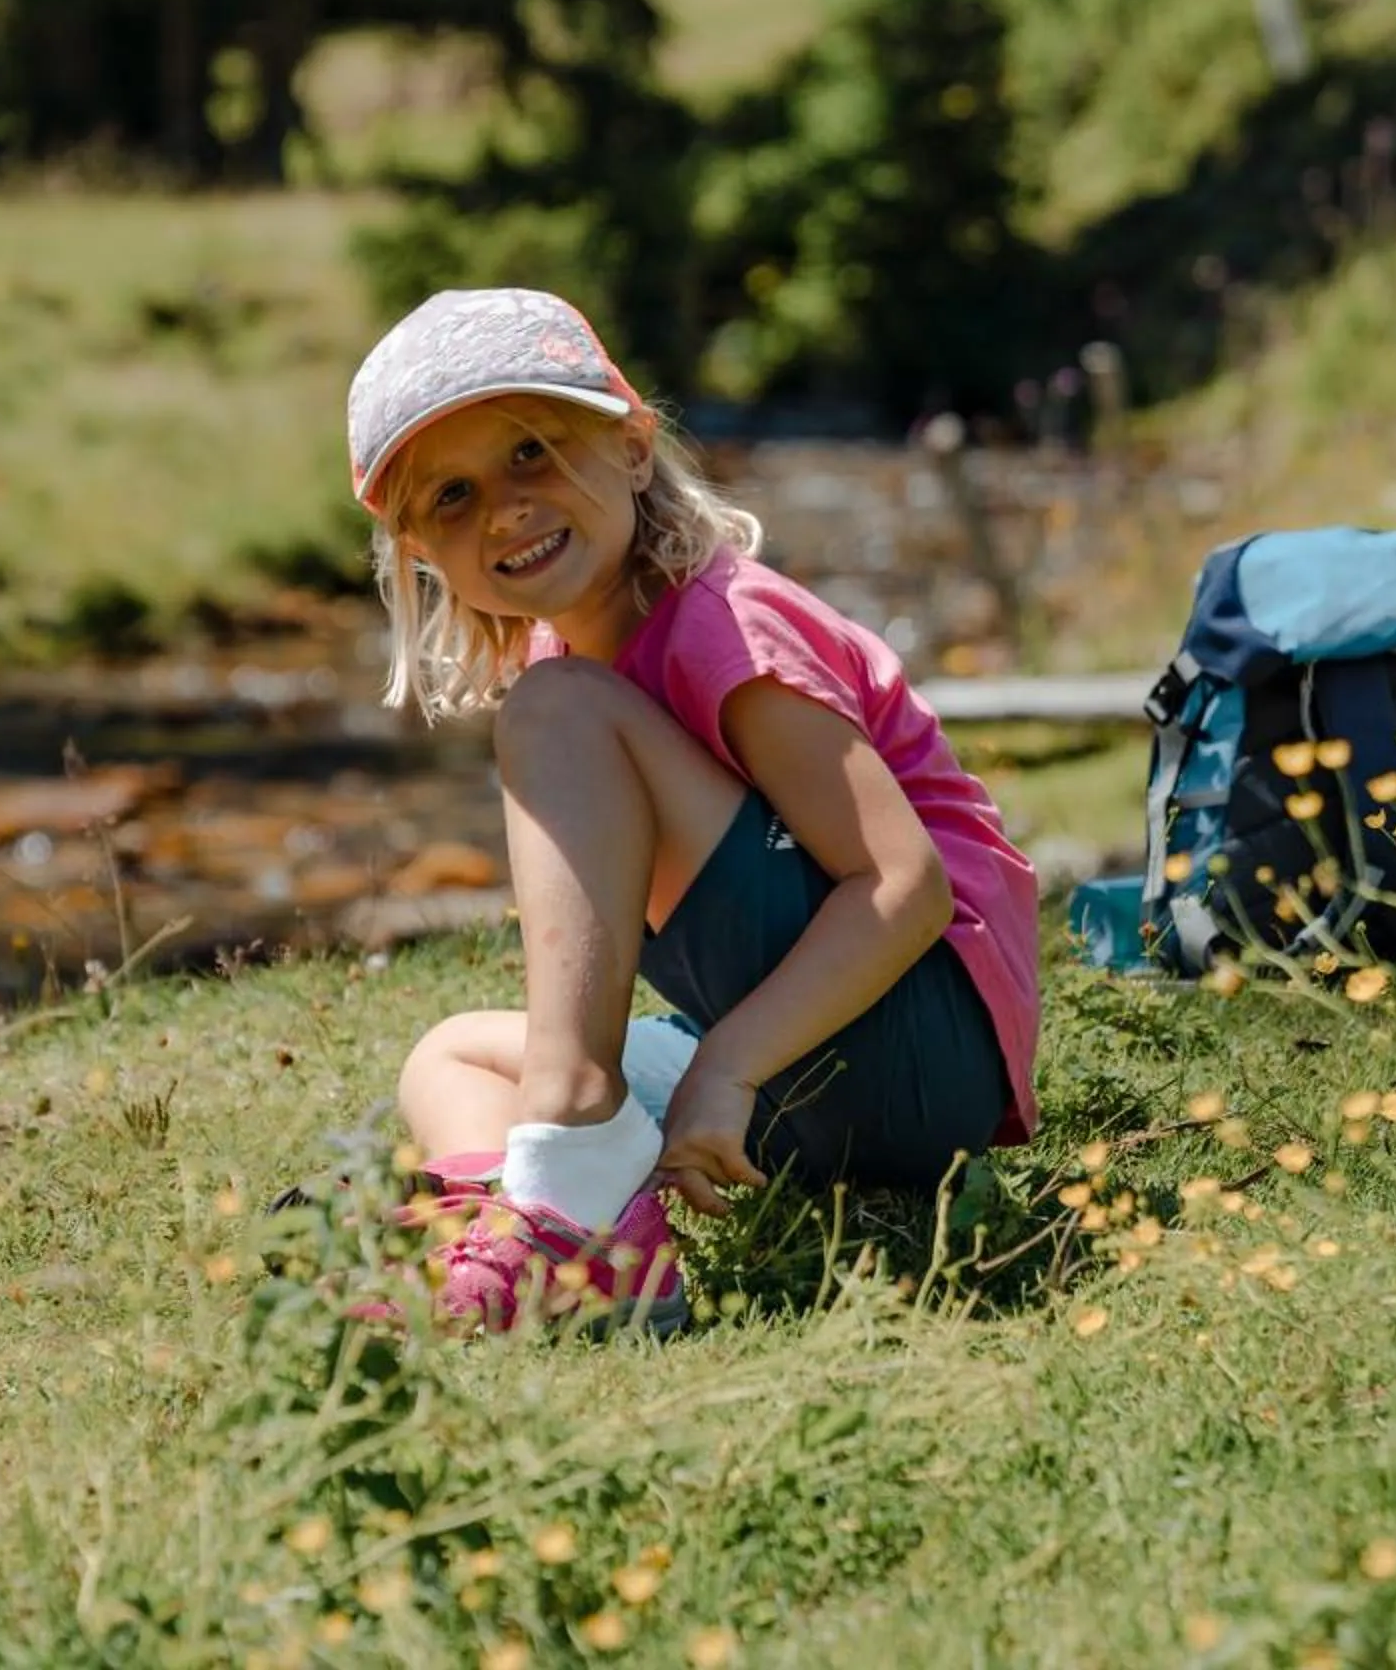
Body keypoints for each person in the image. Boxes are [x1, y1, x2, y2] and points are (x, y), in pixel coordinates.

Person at [342, 287, 1041, 1333]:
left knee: (557, 712)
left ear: (631, 446)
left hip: (915, 1049)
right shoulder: (570, 661)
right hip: (805, 1066)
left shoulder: (725, 626)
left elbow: (906, 885)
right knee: (449, 1056)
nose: (504, 507)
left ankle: (568, 1157)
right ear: (419, 552)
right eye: (451, 496)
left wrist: (725, 1066)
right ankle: (554, 1240)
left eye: (532, 452)